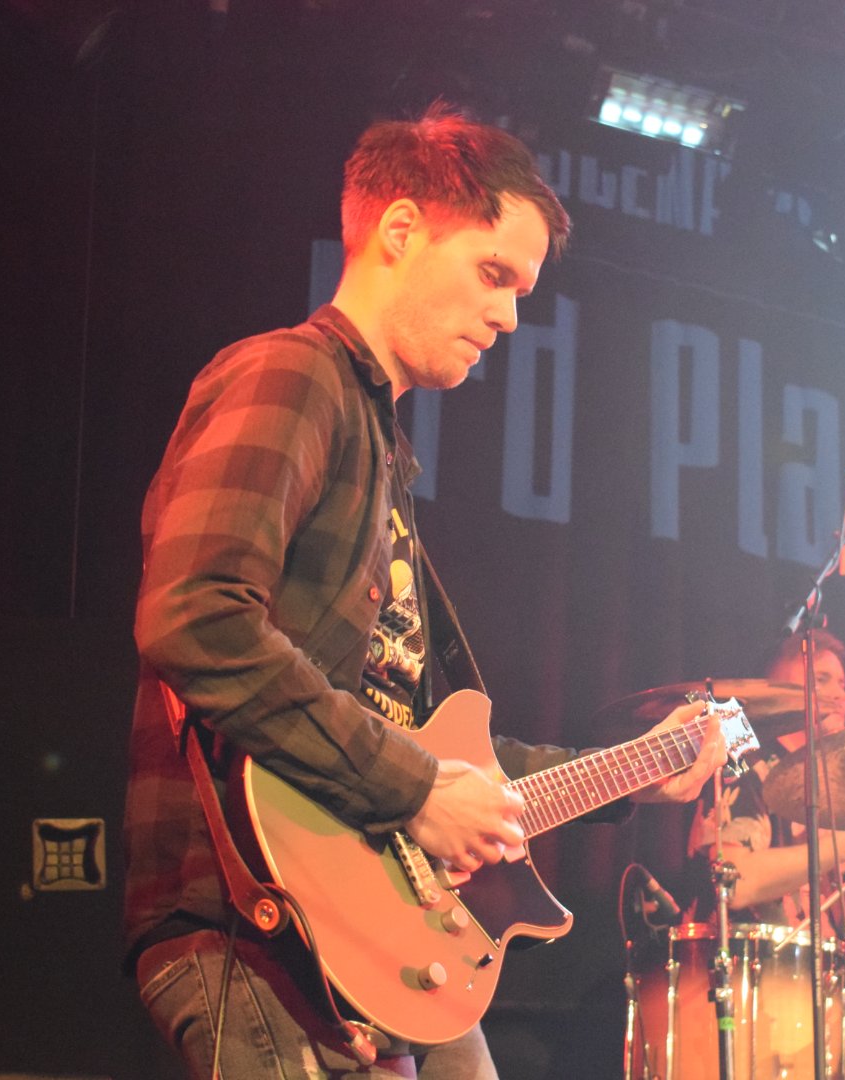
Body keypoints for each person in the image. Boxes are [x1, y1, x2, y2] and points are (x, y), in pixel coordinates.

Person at [122, 103, 727, 1080]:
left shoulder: (382, 455)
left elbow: (434, 751)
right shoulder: (293, 376)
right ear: (400, 231)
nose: (511, 317)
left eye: (521, 289)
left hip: (368, 935)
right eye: (494, 274)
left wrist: (633, 771)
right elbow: (194, 617)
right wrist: (411, 790)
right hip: (260, 926)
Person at [683, 629, 845, 968]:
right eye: (822, 680)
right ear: (779, 693)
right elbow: (735, 883)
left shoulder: (827, 784)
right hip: (752, 968)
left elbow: (828, 891)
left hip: (822, 968)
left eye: (842, 683)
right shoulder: (745, 767)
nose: (840, 694)